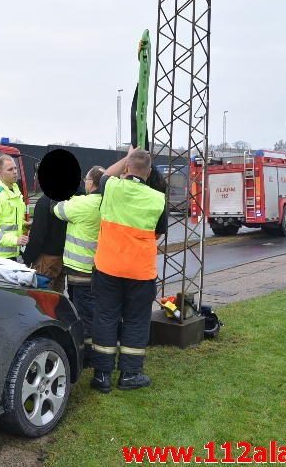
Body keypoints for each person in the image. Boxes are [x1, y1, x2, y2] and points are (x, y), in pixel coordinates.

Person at [90, 148, 167, 393]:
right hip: (140, 272)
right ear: (150, 172)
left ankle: (102, 376)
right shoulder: (158, 199)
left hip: (108, 267)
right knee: (136, 320)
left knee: (105, 317)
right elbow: (158, 232)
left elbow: (104, 174)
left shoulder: (111, 187)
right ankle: (130, 375)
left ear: (126, 169)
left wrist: (127, 155)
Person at [53, 166, 105, 366]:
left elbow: (57, 209)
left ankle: (88, 357)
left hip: (80, 270)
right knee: (95, 312)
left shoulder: (83, 203)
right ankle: (95, 351)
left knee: (83, 316)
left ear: (91, 183)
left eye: (86, 180)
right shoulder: (107, 202)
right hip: (99, 268)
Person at [0, 155, 28, 261]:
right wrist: (15, 240)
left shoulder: (16, 192)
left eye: (15, 168)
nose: (15, 172)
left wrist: (25, 225)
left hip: (12, 254)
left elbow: (11, 222)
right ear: (0, 173)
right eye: (10, 169)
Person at [22, 186, 67, 293]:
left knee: (43, 298)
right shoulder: (67, 200)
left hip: (46, 260)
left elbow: (37, 237)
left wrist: (27, 259)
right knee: (58, 297)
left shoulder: (44, 202)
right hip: (63, 257)